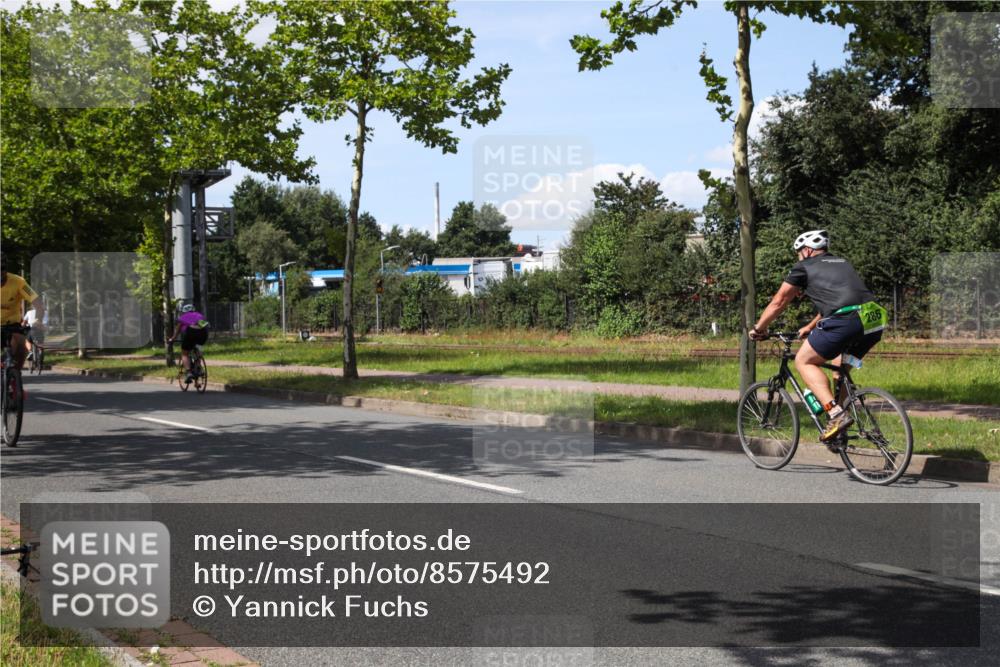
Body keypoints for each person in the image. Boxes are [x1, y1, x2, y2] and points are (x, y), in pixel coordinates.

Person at [749, 230, 887, 444]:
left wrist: (759, 328)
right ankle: (839, 433)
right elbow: (842, 298)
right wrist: (811, 326)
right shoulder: (842, 262)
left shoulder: (803, 267)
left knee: (804, 360)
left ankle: (836, 415)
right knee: (838, 371)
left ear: (807, 250)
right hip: (873, 319)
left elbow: (780, 300)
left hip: (846, 320)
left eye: (798, 253)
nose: (798, 257)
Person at [1, 252, 45, 370]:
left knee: (22, 347)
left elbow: (38, 303)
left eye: (2, 268)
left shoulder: (18, 281)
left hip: (12, 325)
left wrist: (38, 320)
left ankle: (16, 378)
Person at [168, 303, 210, 384]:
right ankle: (199, 368)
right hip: (203, 335)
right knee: (198, 351)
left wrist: (172, 339)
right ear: (193, 310)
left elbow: (177, 331)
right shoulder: (199, 315)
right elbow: (204, 325)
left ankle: (188, 372)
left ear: (183, 311)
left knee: (185, 353)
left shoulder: (182, 317)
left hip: (190, 334)